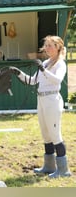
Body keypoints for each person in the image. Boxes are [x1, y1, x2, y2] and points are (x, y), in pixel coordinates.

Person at [10, 35, 71, 178]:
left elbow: (57, 80)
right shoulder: (45, 63)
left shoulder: (60, 64)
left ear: (58, 48)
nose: (47, 48)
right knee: (46, 135)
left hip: (52, 100)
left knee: (55, 135)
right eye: (46, 45)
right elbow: (32, 81)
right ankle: (49, 166)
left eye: (51, 45)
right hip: (42, 100)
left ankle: (63, 170)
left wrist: (43, 70)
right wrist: (18, 73)